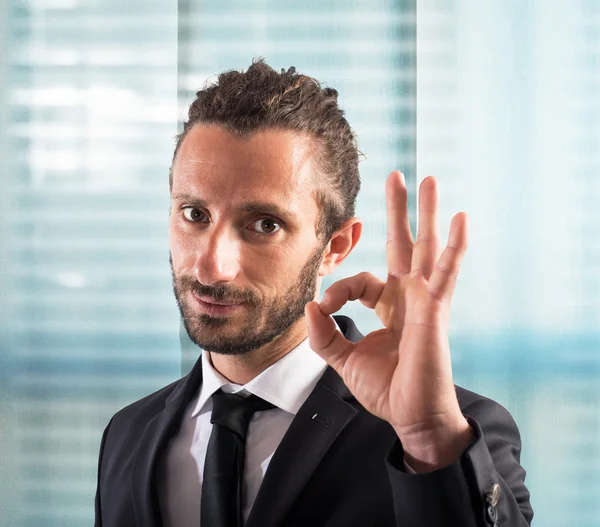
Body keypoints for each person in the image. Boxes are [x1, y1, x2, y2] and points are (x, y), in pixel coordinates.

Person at [94, 60, 533, 527]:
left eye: (264, 224)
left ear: (335, 247)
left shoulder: (455, 435)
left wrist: (429, 438)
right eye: (194, 214)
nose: (210, 266)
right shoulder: (128, 433)